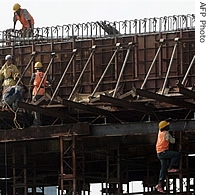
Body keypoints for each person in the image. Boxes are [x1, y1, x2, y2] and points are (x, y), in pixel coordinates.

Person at [155, 120, 180, 193]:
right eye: (167, 125)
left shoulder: (160, 132)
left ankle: (159, 185)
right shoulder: (166, 133)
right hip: (163, 152)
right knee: (176, 154)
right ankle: (171, 167)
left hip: (159, 153)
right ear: (165, 127)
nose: (169, 126)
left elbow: (161, 127)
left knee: (163, 169)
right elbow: (173, 141)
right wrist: (174, 138)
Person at [29, 61, 47, 126]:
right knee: (40, 107)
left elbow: (31, 82)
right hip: (42, 92)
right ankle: (41, 121)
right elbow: (47, 82)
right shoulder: (44, 74)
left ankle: (36, 122)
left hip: (36, 91)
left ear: (35, 68)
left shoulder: (34, 74)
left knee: (35, 107)